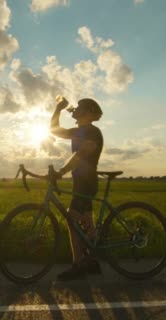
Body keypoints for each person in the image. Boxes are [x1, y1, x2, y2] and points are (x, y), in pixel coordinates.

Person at [50, 96, 104, 280]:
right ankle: (92, 260)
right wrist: (58, 108)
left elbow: (80, 155)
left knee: (72, 219)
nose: (77, 109)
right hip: (81, 182)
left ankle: (78, 265)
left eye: (80, 107)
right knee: (86, 221)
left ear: (89, 112)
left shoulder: (92, 132)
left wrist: (62, 171)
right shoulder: (79, 131)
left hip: (86, 183)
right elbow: (54, 130)